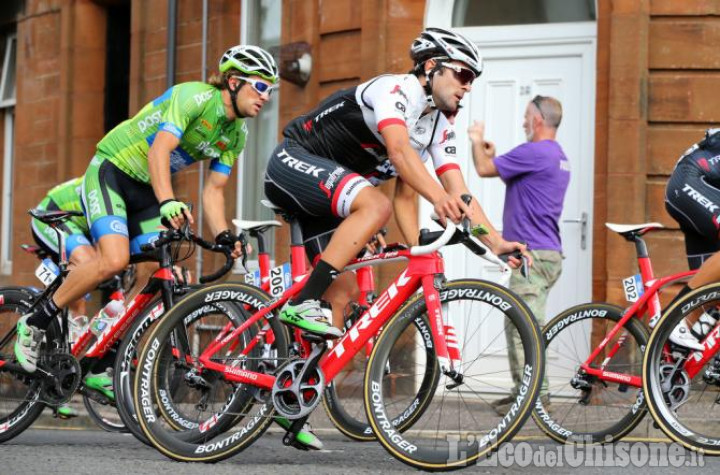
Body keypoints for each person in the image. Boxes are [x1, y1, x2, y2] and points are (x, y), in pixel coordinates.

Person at [14, 45, 276, 373]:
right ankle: (35, 322)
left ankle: (100, 346)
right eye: (262, 86)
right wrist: (167, 202)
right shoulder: (194, 97)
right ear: (234, 82)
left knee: (156, 270)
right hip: (113, 171)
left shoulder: (237, 134)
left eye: (271, 90)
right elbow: (159, 151)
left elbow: (214, 189)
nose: (266, 97)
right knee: (113, 259)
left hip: (146, 191)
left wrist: (223, 234)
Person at [263, 27, 529, 340]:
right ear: (432, 66)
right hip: (292, 161)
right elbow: (399, 152)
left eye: (472, 80)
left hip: (327, 202)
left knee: (342, 296)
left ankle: (303, 381)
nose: (467, 87)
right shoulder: (396, 90)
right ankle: (302, 301)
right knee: (376, 204)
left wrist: (494, 243)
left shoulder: (435, 126)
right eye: (463, 74)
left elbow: (448, 194)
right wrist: (439, 198)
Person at [471, 95, 570, 414]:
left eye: (527, 116)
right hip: (547, 253)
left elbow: (484, 169)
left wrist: (475, 140)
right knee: (519, 323)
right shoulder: (556, 155)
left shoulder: (534, 151)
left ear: (539, 120)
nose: (523, 122)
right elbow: (514, 176)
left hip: (532, 254)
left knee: (525, 326)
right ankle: (523, 391)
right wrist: (496, 155)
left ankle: (535, 397)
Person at [665, 128, 720, 350]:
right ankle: (674, 321)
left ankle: (665, 365)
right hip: (690, 182)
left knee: (710, 293)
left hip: (704, 190)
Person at [30, 176, 95, 318]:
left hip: (80, 224)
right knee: (87, 262)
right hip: (53, 213)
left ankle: (72, 332)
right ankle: (43, 317)